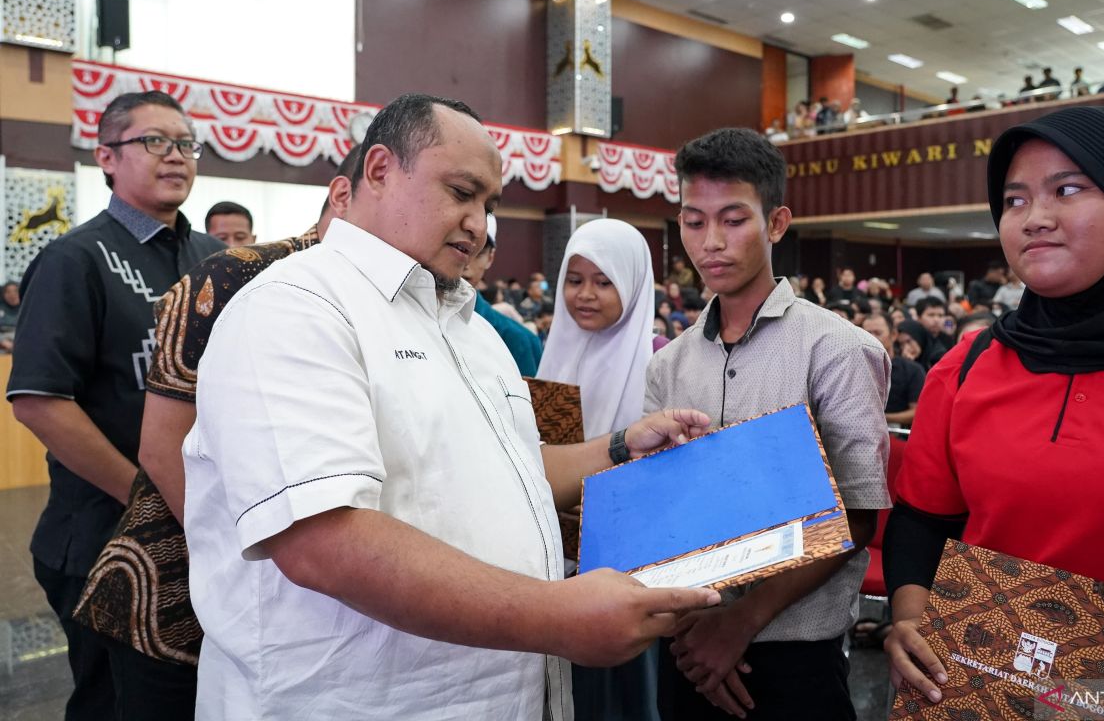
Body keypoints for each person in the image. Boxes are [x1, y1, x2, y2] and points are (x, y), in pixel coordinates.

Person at [182, 94, 719, 720]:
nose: (479, 223)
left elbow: (514, 477)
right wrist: (555, 616)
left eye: (489, 205)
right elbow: (319, 538)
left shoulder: (470, 328)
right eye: (462, 192)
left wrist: (620, 445)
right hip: (359, 703)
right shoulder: (296, 308)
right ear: (380, 170)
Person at [882, 106, 1104, 715]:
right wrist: (908, 619)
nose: (1036, 219)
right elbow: (924, 519)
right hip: (981, 689)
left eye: (1069, 189)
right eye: (1015, 199)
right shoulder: (969, 364)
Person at [71, 150, 357, 719]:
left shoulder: (378, 293)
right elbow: (162, 447)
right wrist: (261, 561)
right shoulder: (237, 274)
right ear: (346, 196)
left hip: (292, 601)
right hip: (174, 591)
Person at [645, 127, 890, 720]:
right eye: (693, 221)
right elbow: (668, 512)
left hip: (795, 654)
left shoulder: (836, 349)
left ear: (776, 223)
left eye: (733, 220)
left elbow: (855, 517)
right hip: (688, 645)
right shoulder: (668, 363)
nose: (711, 243)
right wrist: (700, 632)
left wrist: (740, 622)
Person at [6, 91, 224, 720]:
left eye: (185, 144)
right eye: (154, 141)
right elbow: (40, 401)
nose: (176, 156)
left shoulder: (211, 257)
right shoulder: (76, 259)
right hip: (106, 539)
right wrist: (147, 495)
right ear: (106, 156)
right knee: (117, 706)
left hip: (196, 532)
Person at [537, 218, 660, 720]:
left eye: (604, 281)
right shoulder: (554, 356)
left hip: (624, 572)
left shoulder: (659, 369)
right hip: (551, 566)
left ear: (632, 285)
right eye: (575, 279)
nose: (585, 295)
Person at [464, 215, 543, 376]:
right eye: (455, 247)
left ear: (490, 257)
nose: (465, 261)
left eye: (476, 252)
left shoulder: (517, 340)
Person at [862, 313, 925, 428]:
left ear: (894, 334)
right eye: (867, 333)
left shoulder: (912, 370)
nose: (871, 338)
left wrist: (883, 418)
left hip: (899, 435)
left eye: (878, 333)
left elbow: (917, 412)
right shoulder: (855, 368)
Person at [914, 296, 952, 364]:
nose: (936, 320)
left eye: (940, 315)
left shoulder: (949, 341)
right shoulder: (913, 340)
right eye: (931, 315)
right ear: (919, 318)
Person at [0, 280, 20, 351]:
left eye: (15, 291)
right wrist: (2, 341)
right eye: (8, 292)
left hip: (22, 345)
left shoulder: (27, 309)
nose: (12, 295)